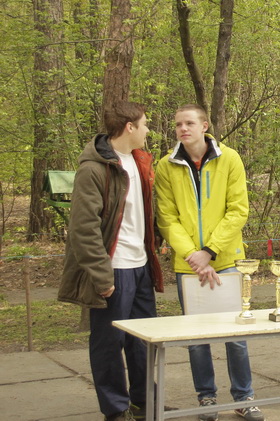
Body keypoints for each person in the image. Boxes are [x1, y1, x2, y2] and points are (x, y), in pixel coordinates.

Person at [155, 104, 263, 421]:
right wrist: (194, 255)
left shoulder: (229, 158)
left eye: (189, 123)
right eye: (178, 124)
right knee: (197, 339)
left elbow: (238, 210)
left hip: (227, 260)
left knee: (235, 336)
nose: (183, 129)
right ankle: (207, 398)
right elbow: (167, 218)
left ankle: (244, 397)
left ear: (204, 126)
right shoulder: (166, 165)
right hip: (189, 266)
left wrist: (210, 251)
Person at [58, 101, 164, 421]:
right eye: (144, 124)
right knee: (108, 343)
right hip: (113, 269)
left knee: (143, 340)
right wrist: (102, 276)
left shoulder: (140, 161)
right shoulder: (93, 168)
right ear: (129, 127)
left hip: (141, 266)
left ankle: (144, 403)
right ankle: (116, 409)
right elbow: (83, 229)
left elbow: (145, 211)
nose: (148, 130)